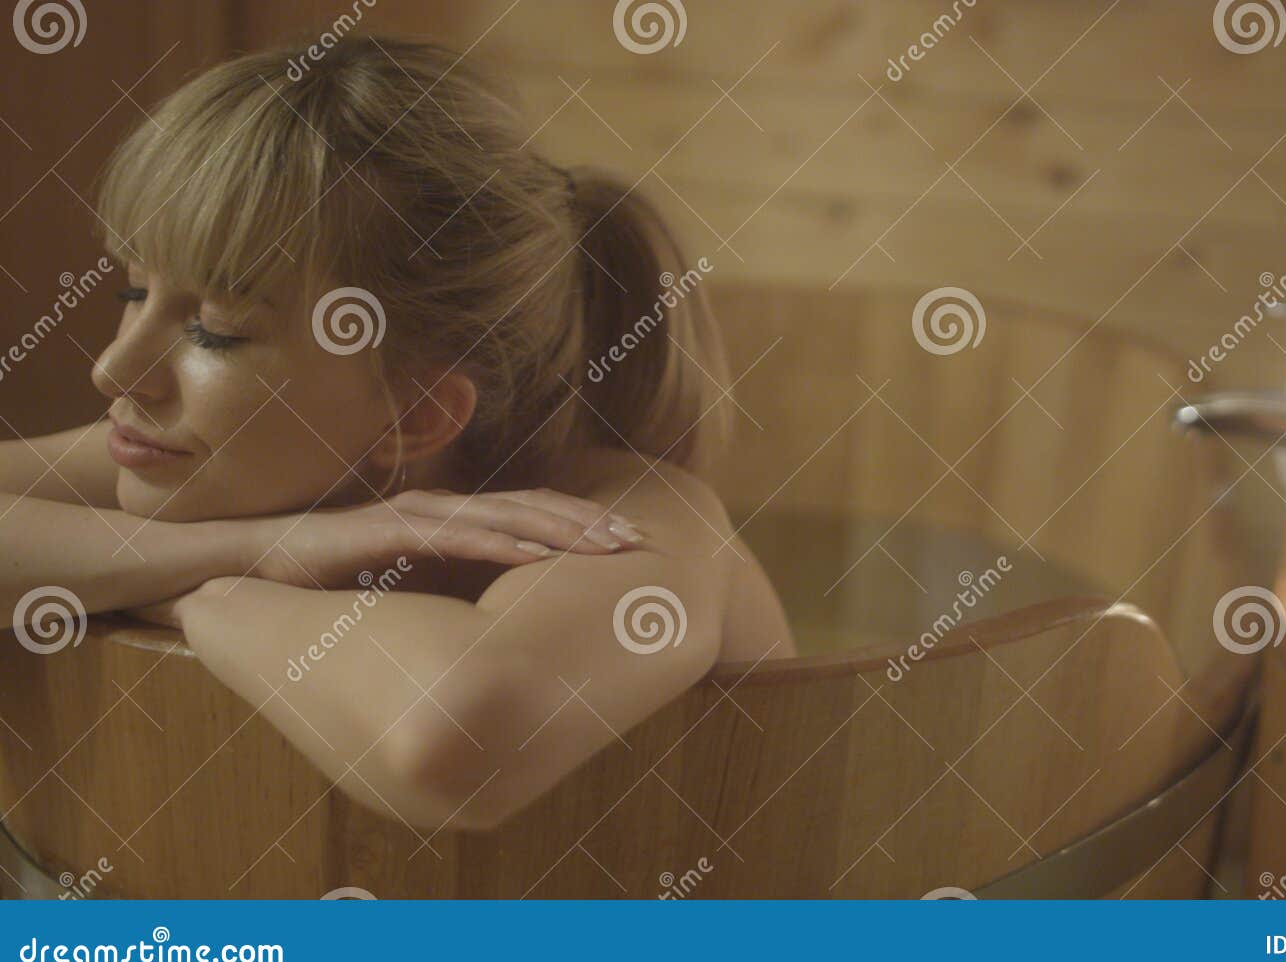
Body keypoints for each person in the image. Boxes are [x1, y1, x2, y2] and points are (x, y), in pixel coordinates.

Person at [0, 34, 795, 830]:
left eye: (216, 330)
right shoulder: (214, 467)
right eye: (133, 292)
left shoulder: (639, 519)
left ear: (416, 415)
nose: (113, 369)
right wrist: (260, 546)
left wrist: (194, 591)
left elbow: (451, 733)